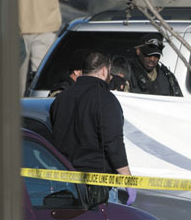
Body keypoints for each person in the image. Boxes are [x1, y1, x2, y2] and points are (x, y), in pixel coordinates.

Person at [49, 52, 136, 205]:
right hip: (97, 191)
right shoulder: (106, 100)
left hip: (64, 183)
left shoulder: (61, 99)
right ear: (104, 70)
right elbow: (113, 143)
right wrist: (129, 181)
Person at [18, 0, 75, 94]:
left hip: (17, 29)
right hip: (45, 28)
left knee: (15, 79)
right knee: (42, 79)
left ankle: (12, 110)